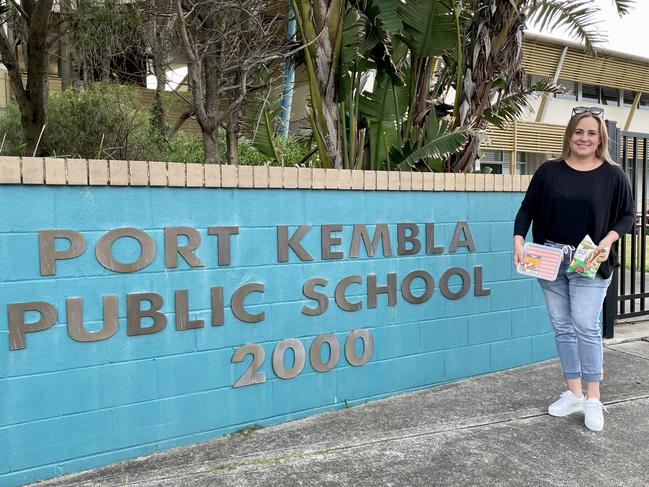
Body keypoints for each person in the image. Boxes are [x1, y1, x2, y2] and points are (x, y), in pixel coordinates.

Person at [513, 106, 634, 432]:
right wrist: (518, 238)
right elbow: (528, 208)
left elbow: (627, 215)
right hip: (550, 257)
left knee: (585, 325)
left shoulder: (613, 174)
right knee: (563, 327)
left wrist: (608, 240)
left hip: (589, 260)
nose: (584, 137)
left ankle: (593, 398)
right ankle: (573, 392)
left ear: (600, 138)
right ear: (570, 135)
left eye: (591, 133)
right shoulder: (549, 171)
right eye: (579, 131)